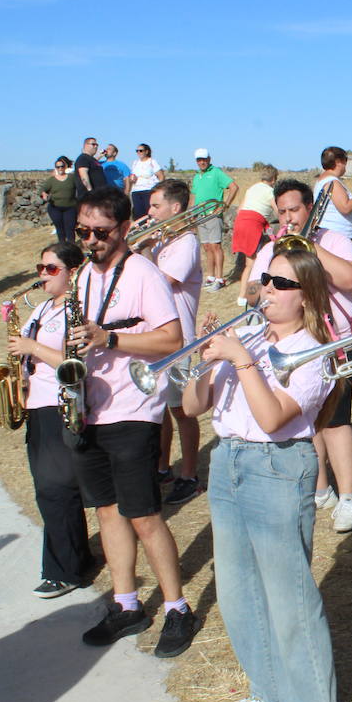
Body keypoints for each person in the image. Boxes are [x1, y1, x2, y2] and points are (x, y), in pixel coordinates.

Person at [182, 247, 347, 702]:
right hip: (228, 460)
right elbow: (192, 406)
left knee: (287, 592)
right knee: (236, 589)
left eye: (279, 283)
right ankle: (268, 686)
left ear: (307, 296)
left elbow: (275, 418)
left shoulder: (312, 351)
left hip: (277, 465)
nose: (267, 290)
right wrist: (203, 354)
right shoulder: (246, 335)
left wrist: (241, 359)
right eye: (264, 281)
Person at [67, 186, 199, 658]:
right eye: (83, 231)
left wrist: (110, 338)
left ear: (124, 228)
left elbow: (171, 338)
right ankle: (126, 605)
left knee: (143, 516)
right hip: (91, 408)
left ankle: (178, 607)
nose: (90, 241)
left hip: (133, 411)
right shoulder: (83, 276)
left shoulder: (143, 273)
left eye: (100, 233)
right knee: (106, 511)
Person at [248, 179, 352, 532]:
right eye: (281, 211)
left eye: (294, 210)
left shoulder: (332, 239)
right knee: (307, 422)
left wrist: (310, 248)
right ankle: (321, 488)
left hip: (335, 342)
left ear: (311, 208)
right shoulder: (274, 247)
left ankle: (348, 497)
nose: (287, 217)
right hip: (294, 344)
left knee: (335, 422)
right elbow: (252, 290)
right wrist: (266, 276)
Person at [5, 242, 96, 597]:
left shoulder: (77, 310)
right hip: (36, 404)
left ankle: (65, 570)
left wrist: (32, 349)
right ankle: (74, 558)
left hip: (59, 405)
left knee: (55, 489)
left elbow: (75, 363)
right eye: (40, 267)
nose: (42, 274)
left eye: (51, 268)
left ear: (72, 273)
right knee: (49, 490)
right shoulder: (41, 309)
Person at [136, 178, 204, 506]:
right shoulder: (165, 241)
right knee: (159, 409)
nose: (149, 212)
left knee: (182, 410)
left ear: (175, 208)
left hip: (180, 341)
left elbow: (158, 284)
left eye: (155, 206)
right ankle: (163, 467)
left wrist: (144, 246)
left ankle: (189, 475)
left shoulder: (186, 242)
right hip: (157, 338)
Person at [191, 148, 239, 289]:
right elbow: (194, 195)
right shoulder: (196, 176)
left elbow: (233, 187)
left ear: (209, 159)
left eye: (204, 159)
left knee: (215, 246)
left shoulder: (216, 172)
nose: (202, 162)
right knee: (206, 247)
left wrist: (224, 206)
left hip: (213, 214)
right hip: (200, 215)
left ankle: (220, 278)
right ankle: (210, 276)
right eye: (199, 160)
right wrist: (192, 212)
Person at [231, 164, 278, 302]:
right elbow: (276, 210)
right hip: (253, 224)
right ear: (274, 179)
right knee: (251, 264)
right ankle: (244, 295)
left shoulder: (252, 188)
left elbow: (239, 210)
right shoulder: (270, 192)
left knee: (249, 261)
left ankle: (244, 295)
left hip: (240, 222)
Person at [314, 146, 352, 243]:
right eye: (345, 160)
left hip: (333, 234)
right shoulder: (332, 182)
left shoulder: (324, 180)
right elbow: (345, 208)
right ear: (338, 162)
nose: (346, 164)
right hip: (337, 236)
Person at [42, 156, 80, 244]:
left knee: (70, 228)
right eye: (58, 167)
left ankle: (72, 247)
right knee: (60, 229)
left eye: (62, 166)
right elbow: (43, 190)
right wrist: (44, 195)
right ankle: (62, 246)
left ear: (65, 167)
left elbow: (79, 187)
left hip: (70, 207)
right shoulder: (52, 180)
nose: (60, 168)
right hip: (55, 208)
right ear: (55, 168)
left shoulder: (72, 178)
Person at [128, 143, 164, 221]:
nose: (138, 152)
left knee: (149, 212)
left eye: (140, 151)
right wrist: (132, 179)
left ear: (146, 151)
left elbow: (161, 175)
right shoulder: (135, 163)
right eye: (137, 151)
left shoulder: (152, 162)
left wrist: (158, 189)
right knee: (138, 214)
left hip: (148, 189)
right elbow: (132, 175)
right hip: (136, 190)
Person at [74, 137, 106, 201]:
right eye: (93, 144)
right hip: (89, 197)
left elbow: (92, 164)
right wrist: (90, 191)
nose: (95, 147)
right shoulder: (83, 158)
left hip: (99, 195)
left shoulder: (91, 159)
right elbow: (83, 175)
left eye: (97, 145)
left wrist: (100, 156)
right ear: (86, 145)